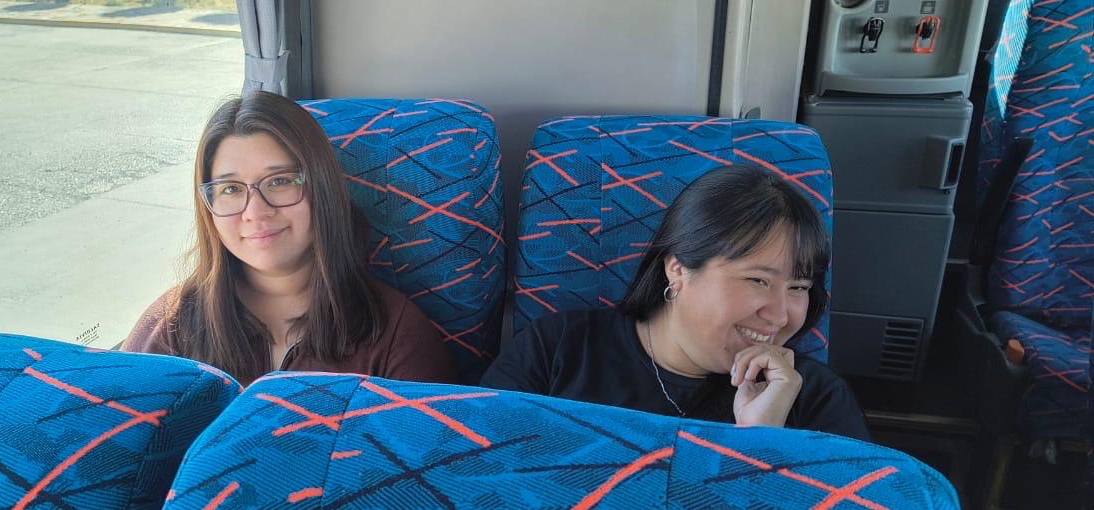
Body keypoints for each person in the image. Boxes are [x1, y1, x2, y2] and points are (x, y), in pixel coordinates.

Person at [481, 164, 868, 440]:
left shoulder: (812, 397)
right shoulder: (556, 350)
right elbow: (476, 476)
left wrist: (761, 438)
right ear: (677, 269)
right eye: (758, 280)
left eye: (798, 287)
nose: (780, 315)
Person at [122, 92, 457, 386]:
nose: (255, 211)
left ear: (321, 189)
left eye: (280, 181)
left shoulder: (396, 333)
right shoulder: (170, 328)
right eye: (231, 189)